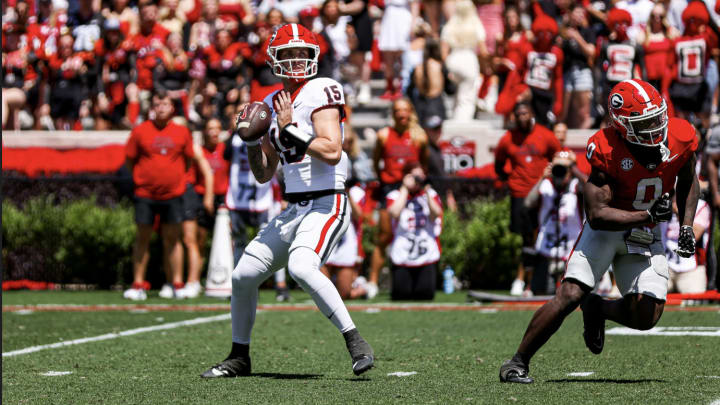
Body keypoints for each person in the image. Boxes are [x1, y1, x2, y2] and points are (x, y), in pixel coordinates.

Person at [499, 79, 700, 384]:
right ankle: (517, 361)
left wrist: (686, 225)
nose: (656, 127)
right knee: (570, 293)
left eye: (658, 117)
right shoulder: (606, 147)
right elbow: (596, 214)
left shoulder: (681, 136)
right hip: (607, 229)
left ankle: (598, 309)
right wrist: (645, 214)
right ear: (621, 124)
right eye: (644, 122)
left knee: (647, 315)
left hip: (644, 233)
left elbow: (688, 180)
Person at [201, 23, 374, 378]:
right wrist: (250, 141)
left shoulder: (324, 88)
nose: (296, 60)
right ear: (273, 59)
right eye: (288, 54)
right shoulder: (269, 102)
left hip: (328, 201)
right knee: (243, 275)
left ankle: (355, 341)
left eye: (301, 53)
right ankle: (239, 356)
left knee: (301, 267)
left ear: (313, 57)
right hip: (294, 207)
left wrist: (291, 128)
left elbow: (332, 149)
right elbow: (265, 173)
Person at [123, 89, 213, 301]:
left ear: (172, 108)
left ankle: (177, 283)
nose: (160, 108)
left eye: (164, 104)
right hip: (145, 193)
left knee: (173, 240)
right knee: (142, 239)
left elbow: (188, 160)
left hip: (173, 194)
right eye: (156, 104)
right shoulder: (140, 131)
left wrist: (175, 179)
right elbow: (129, 160)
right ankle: (138, 284)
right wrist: (141, 178)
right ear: (151, 108)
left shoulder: (182, 132)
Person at [494, 101, 562, 296]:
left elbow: (558, 157)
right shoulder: (508, 139)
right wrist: (511, 180)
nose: (522, 117)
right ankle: (521, 279)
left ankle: (534, 280)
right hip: (520, 194)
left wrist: (550, 178)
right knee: (525, 239)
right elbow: (499, 165)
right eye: (519, 114)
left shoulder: (546, 135)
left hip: (542, 193)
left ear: (532, 113)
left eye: (525, 113)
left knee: (540, 236)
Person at [224, 103, 290, 302]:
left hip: (263, 197)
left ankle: (280, 285)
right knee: (240, 244)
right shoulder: (235, 139)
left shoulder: (265, 133)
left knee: (272, 243)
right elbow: (226, 153)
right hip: (238, 198)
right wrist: (236, 129)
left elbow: (274, 163)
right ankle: (240, 283)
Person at [368, 98, 429, 298]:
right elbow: (376, 162)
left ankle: (411, 278)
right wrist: (385, 182)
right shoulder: (384, 135)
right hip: (390, 187)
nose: (401, 114)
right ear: (393, 114)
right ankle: (373, 281)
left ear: (411, 112)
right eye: (397, 110)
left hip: (412, 189)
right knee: (385, 235)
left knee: (411, 232)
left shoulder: (419, 137)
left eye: (405, 110)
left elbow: (424, 163)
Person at [177, 118, 228, 299]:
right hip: (200, 198)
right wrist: (206, 197)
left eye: (217, 128)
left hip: (223, 200)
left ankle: (227, 279)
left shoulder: (225, 150)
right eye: (210, 128)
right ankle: (196, 280)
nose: (214, 132)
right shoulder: (199, 150)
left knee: (226, 242)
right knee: (199, 242)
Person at [524, 153, 584, 294]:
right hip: (547, 247)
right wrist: (542, 178)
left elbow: (593, 191)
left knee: (571, 293)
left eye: (564, 168)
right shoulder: (546, 185)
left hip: (572, 246)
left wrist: (574, 169)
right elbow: (528, 203)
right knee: (541, 291)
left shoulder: (576, 186)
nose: (560, 172)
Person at [386, 162, 443, 300]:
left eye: (420, 175)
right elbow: (394, 212)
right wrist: (405, 188)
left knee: (425, 295)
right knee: (401, 295)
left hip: (426, 254)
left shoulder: (430, 195)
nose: (417, 179)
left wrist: (427, 190)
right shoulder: (395, 195)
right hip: (403, 254)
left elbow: (436, 213)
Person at [440, 0, 487, 121]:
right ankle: (461, 126)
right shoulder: (475, 24)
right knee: (466, 98)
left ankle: (455, 121)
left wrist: (446, 69)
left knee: (458, 96)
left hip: (453, 60)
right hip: (469, 60)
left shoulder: (450, 25)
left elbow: (443, 52)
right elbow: (483, 51)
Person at [662, 197, 710, 293]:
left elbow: (692, 236)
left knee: (693, 304)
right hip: (664, 265)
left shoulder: (701, 205)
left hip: (691, 268)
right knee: (651, 299)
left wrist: (680, 212)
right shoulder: (662, 203)